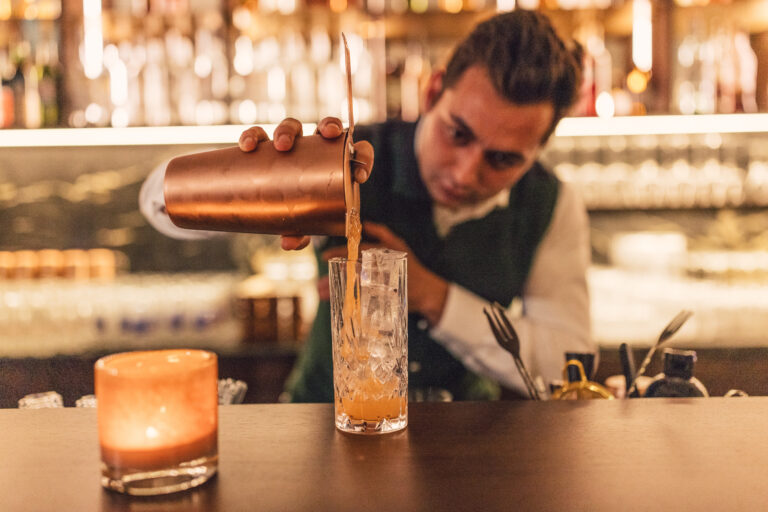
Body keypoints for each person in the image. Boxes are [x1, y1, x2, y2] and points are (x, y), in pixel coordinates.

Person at [142, 9, 594, 401]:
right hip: (321, 424)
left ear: (540, 149)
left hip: (464, 437)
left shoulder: (551, 203)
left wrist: (431, 296)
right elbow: (157, 204)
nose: (464, 173)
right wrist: (259, 175)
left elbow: (569, 365)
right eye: (457, 134)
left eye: (503, 159)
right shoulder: (351, 160)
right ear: (433, 91)